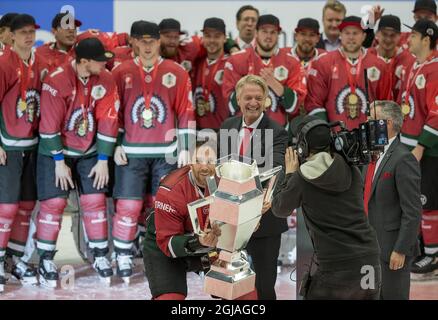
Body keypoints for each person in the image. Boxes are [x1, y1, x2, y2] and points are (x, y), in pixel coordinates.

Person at [111, 21, 195, 283]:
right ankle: (123, 255)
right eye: (142, 41)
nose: (147, 46)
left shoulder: (177, 72)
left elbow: (185, 110)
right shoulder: (120, 71)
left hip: (166, 151)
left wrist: (186, 147)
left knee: (161, 206)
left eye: (152, 40)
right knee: (128, 205)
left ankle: (160, 254)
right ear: (133, 42)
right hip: (132, 150)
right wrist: (114, 144)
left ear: (159, 42)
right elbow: (113, 112)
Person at [36, 37, 119, 287]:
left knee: (94, 202)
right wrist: (59, 161)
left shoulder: (105, 78)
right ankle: (46, 259)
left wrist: (103, 159)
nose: (104, 64)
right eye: (99, 61)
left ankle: (101, 256)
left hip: (90, 149)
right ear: (83, 62)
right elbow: (48, 125)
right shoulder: (56, 80)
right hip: (55, 150)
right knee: (54, 203)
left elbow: (108, 119)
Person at [272, 115, 381, 300]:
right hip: (369, 260)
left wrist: (290, 174)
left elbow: (280, 208)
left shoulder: (301, 178)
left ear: (303, 148)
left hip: (336, 266)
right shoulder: (351, 168)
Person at [219, 75, 288, 300]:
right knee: (226, 286)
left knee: (264, 287)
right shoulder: (227, 126)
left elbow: (274, 169)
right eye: (248, 97)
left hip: (263, 220)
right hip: (229, 219)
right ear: (238, 99)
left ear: (266, 100)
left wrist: (234, 174)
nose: (253, 102)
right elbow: (220, 167)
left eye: (259, 97)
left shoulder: (277, 131)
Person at [0, 13, 49, 291]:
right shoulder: (4, 62)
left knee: (26, 207)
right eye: (23, 32)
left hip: (32, 146)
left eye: (32, 31)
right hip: (8, 146)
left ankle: (15, 260)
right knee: (5, 207)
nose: (28, 36)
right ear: (12, 36)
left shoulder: (39, 62)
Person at [365, 100, 421, 299]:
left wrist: (401, 249)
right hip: (367, 249)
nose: (366, 122)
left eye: (371, 119)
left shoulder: (403, 158)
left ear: (387, 123)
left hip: (392, 251)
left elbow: (412, 211)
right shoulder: (370, 155)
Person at [397, 19, 438, 277]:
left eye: (412, 35)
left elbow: (435, 113)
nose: (407, 39)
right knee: (417, 201)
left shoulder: (435, 69)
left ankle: (433, 256)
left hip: (429, 150)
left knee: (428, 201)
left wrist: (422, 146)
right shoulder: (415, 65)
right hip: (409, 147)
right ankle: (426, 249)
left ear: (426, 38)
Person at [305, 15, 392, 130]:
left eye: (355, 33)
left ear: (364, 36)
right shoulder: (324, 63)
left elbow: (385, 104)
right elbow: (314, 102)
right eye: (347, 33)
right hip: (336, 140)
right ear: (340, 35)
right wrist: (325, 133)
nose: (351, 37)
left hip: (369, 139)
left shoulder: (379, 65)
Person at [223, 14, 307, 127]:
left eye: (273, 32)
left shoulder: (292, 62)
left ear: (278, 35)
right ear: (256, 33)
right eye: (264, 31)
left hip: (278, 133)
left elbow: (294, 106)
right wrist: (251, 83)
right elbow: (230, 106)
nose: (268, 36)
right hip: (244, 132)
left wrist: (274, 84)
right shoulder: (237, 60)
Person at [192, 18, 230, 131]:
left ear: (224, 38)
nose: (212, 40)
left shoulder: (232, 63)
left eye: (217, 36)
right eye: (208, 36)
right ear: (203, 38)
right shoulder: (196, 62)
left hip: (225, 132)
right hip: (197, 132)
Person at [368, 15, 415, 100]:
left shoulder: (409, 60)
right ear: (377, 34)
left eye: (392, 35)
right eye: (384, 34)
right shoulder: (367, 57)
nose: (388, 39)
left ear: (400, 36)